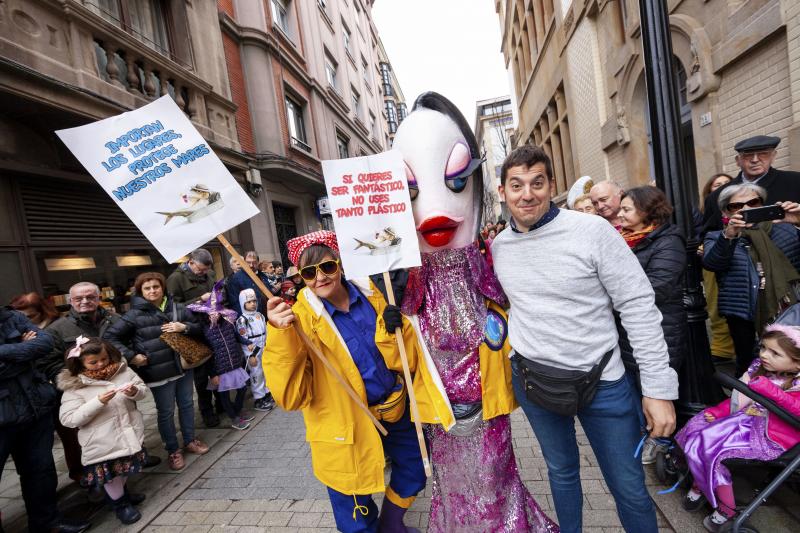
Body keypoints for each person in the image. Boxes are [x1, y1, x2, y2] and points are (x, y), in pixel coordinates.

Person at [492, 144, 678, 533]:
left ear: (551, 185)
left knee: (628, 487)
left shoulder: (592, 231)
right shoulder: (499, 247)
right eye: (517, 185)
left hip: (603, 386)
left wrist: (658, 389)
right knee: (561, 472)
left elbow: (639, 306)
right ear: (502, 192)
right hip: (534, 382)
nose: (527, 194)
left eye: (537, 183)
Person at [392, 92, 557, 532]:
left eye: (457, 180)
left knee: (495, 479)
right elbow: (399, 357)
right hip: (440, 413)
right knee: (453, 487)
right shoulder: (401, 287)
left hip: (489, 406)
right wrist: (389, 323)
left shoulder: (497, 260)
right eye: (411, 189)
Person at [264, 231, 452, 533]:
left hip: (394, 408)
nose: (320, 278)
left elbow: (406, 359)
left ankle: (390, 526)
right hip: (343, 427)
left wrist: (398, 329)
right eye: (309, 272)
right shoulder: (296, 321)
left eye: (327, 267)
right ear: (300, 277)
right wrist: (279, 332)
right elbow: (289, 397)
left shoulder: (373, 294)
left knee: (416, 469)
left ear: (340, 264)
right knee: (355, 513)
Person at [676, 324, 800, 532]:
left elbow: (795, 409)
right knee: (698, 429)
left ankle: (727, 509)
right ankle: (701, 481)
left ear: (797, 364)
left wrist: (770, 391)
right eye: (763, 348)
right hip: (746, 422)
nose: (764, 355)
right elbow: (740, 399)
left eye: (774, 353)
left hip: (773, 437)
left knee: (712, 448)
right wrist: (718, 412)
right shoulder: (760, 369)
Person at [104, 272, 209, 471]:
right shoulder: (134, 314)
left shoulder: (177, 308)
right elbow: (110, 338)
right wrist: (132, 355)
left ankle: (190, 440)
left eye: (156, 286)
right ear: (140, 291)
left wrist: (184, 327)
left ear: (163, 288)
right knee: (166, 412)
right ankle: (172, 450)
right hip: (157, 371)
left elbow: (200, 328)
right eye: (147, 288)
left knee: (187, 405)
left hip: (182, 365)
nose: (153, 291)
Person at [0, 307, 91, 533]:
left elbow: (44, 343)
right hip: (2, 417)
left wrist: (6, 352)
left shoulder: (12, 316)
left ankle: (47, 523)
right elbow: (32, 351)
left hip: (34, 408)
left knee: (41, 471)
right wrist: (23, 351)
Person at [617, 186, 687, 463]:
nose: (619, 213)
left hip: (661, 329)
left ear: (647, 211)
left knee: (655, 390)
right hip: (626, 331)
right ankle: (642, 435)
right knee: (635, 389)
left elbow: (659, 286)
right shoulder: (624, 239)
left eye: (626, 209)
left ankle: (660, 444)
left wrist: (615, 295)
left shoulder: (668, 242)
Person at [43, 282, 138, 484]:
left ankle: (128, 461)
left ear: (98, 297)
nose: (85, 301)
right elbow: (48, 363)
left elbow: (127, 344)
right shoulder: (57, 329)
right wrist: (79, 378)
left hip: (116, 386)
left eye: (90, 297)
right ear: (70, 301)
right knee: (84, 439)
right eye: (78, 298)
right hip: (81, 392)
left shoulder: (114, 319)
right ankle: (86, 477)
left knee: (124, 423)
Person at [702, 183, 800, 375]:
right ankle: (746, 399)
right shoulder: (717, 236)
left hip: (786, 306)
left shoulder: (786, 228)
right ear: (726, 212)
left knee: (789, 356)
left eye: (753, 202)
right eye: (736, 206)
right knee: (747, 360)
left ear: (763, 204)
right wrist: (729, 236)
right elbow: (713, 264)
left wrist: (798, 222)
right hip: (741, 310)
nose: (746, 209)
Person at [57, 337, 148, 525]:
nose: (100, 364)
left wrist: (134, 392)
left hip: (128, 431)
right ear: (79, 363)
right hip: (101, 441)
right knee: (111, 476)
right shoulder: (75, 386)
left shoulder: (123, 370)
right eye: (93, 362)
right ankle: (119, 504)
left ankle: (122, 495)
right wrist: (97, 402)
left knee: (124, 469)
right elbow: (69, 419)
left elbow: (142, 390)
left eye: (104, 359)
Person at [188, 282, 254, 431]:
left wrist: (247, 341)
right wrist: (213, 374)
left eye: (217, 309)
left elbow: (236, 335)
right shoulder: (204, 328)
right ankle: (234, 418)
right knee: (223, 396)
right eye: (211, 311)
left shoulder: (227, 322)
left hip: (234, 363)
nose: (215, 313)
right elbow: (188, 311)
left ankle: (237, 410)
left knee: (242, 389)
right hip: (219, 368)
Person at [702, 135, 800, 235]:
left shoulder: (795, 182)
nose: (755, 160)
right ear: (737, 160)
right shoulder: (716, 196)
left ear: (773, 156)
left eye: (763, 154)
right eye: (748, 155)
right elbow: (709, 236)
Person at [167, 248, 221, 427]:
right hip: (191, 330)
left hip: (211, 325)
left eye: (206, 270)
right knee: (201, 375)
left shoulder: (209, 273)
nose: (204, 273)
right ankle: (207, 412)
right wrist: (199, 299)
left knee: (218, 367)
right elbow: (173, 308)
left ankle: (221, 403)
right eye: (200, 270)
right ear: (190, 262)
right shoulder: (176, 279)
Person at [698, 174, 736, 362]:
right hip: (714, 256)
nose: (722, 188)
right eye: (717, 185)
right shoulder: (706, 216)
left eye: (726, 184)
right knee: (716, 303)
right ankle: (723, 345)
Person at [236, 289, 274, 412]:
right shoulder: (242, 320)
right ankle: (259, 398)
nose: (253, 304)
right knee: (256, 373)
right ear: (243, 304)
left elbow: (266, 331)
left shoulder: (260, 315)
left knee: (266, 370)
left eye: (254, 301)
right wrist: (250, 355)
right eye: (249, 302)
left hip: (264, 346)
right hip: (253, 349)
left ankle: (267, 393)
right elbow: (243, 338)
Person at [226, 251, 275, 316]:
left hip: (266, 315)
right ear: (244, 262)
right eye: (248, 262)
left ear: (258, 262)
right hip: (249, 318)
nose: (251, 265)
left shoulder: (263, 276)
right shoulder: (236, 278)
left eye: (254, 263)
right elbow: (235, 302)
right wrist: (245, 319)